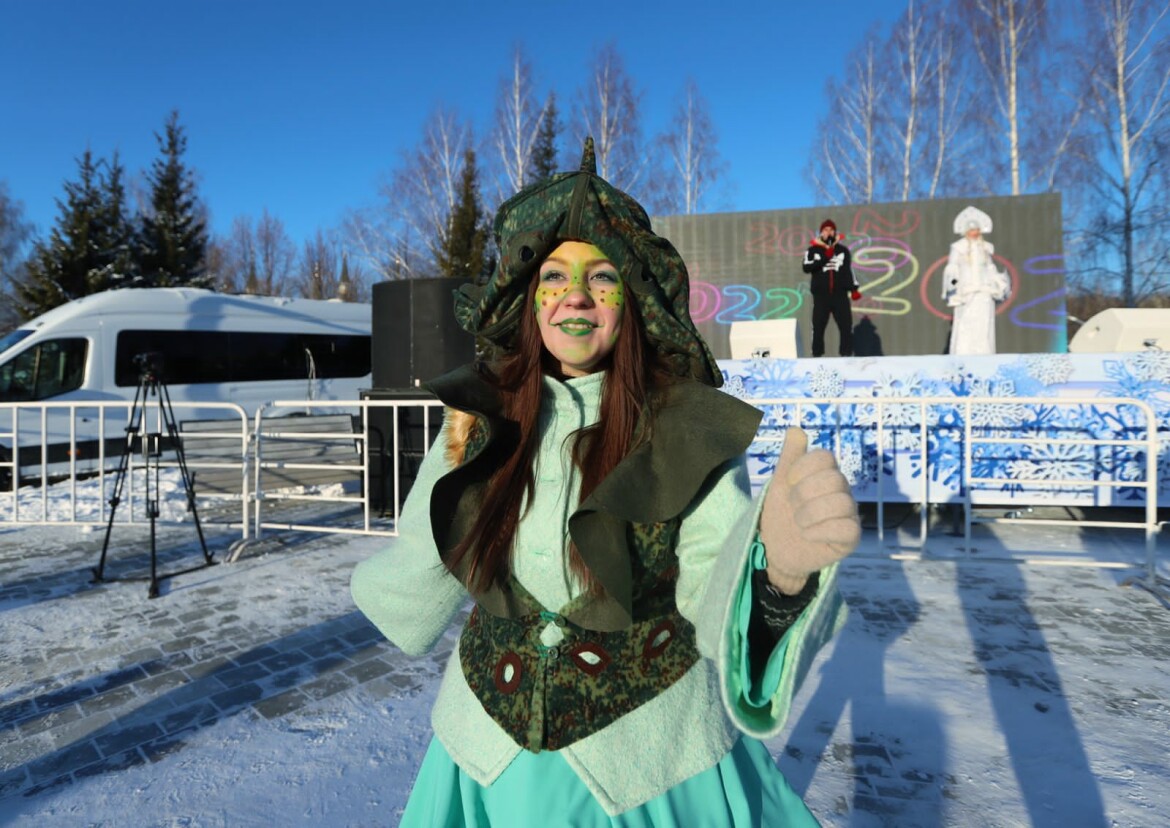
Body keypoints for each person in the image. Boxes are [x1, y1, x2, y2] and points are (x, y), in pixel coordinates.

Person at [350, 139, 861, 826]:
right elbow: (423, 564)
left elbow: (714, 587)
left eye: (600, 277)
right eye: (553, 277)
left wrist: (779, 578)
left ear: (631, 300)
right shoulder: (476, 417)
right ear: (528, 301)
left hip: (650, 768)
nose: (576, 297)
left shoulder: (685, 425)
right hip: (486, 757)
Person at [942, 205, 1010, 355]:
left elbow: (990, 268)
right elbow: (953, 270)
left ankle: (984, 354)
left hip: (984, 291)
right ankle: (964, 354)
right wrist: (953, 286)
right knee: (966, 323)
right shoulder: (958, 247)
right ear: (966, 231)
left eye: (977, 230)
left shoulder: (985, 248)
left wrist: (999, 283)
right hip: (966, 291)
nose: (975, 233)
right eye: (972, 230)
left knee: (984, 324)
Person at [802, 219, 862, 358]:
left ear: (835, 232)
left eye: (831, 230)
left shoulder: (842, 250)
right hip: (821, 295)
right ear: (821, 233)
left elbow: (847, 270)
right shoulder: (812, 250)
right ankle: (817, 355)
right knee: (818, 326)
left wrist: (853, 289)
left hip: (840, 294)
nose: (828, 232)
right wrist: (824, 258)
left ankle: (846, 354)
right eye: (826, 230)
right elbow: (806, 267)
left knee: (846, 325)